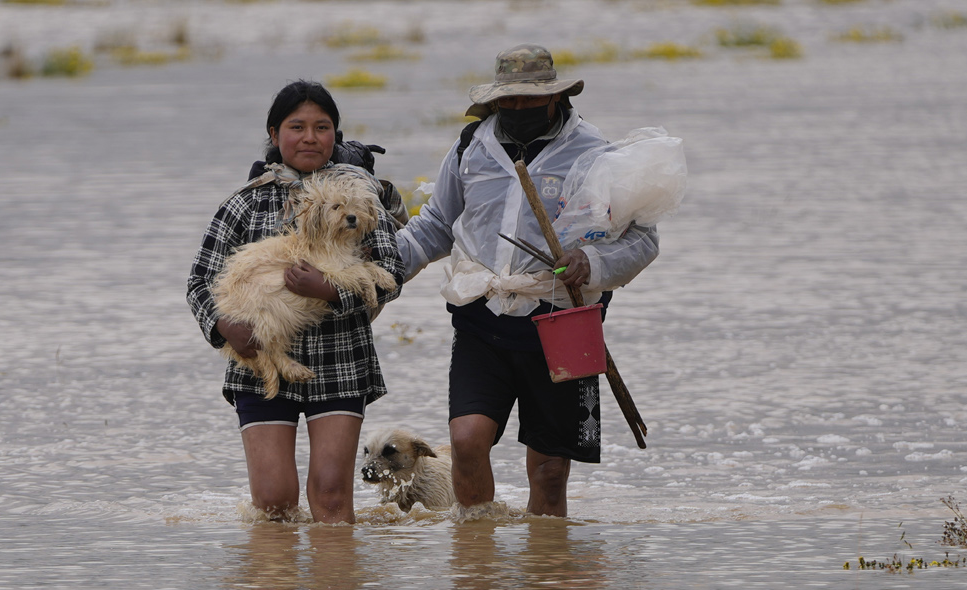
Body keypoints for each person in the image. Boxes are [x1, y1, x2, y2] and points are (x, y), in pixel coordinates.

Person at [397, 44, 660, 517]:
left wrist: (591, 261)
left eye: (529, 100)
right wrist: (383, 270)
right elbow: (436, 224)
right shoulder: (470, 146)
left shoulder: (595, 152)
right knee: (467, 439)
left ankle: (545, 575)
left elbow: (642, 239)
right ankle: (478, 562)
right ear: (496, 101)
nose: (518, 110)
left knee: (549, 472)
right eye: (509, 101)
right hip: (483, 316)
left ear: (555, 98)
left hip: (562, 321)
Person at [187, 80, 404, 524]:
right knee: (273, 501)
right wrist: (222, 326)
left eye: (322, 127)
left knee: (330, 496)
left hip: (341, 360)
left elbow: (390, 275)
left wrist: (328, 290)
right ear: (273, 134)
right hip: (259, 359)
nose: (310, 137)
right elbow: (200, 281)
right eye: (296, 126)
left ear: (336, 136)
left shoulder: (360, 198)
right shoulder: (245, 204)